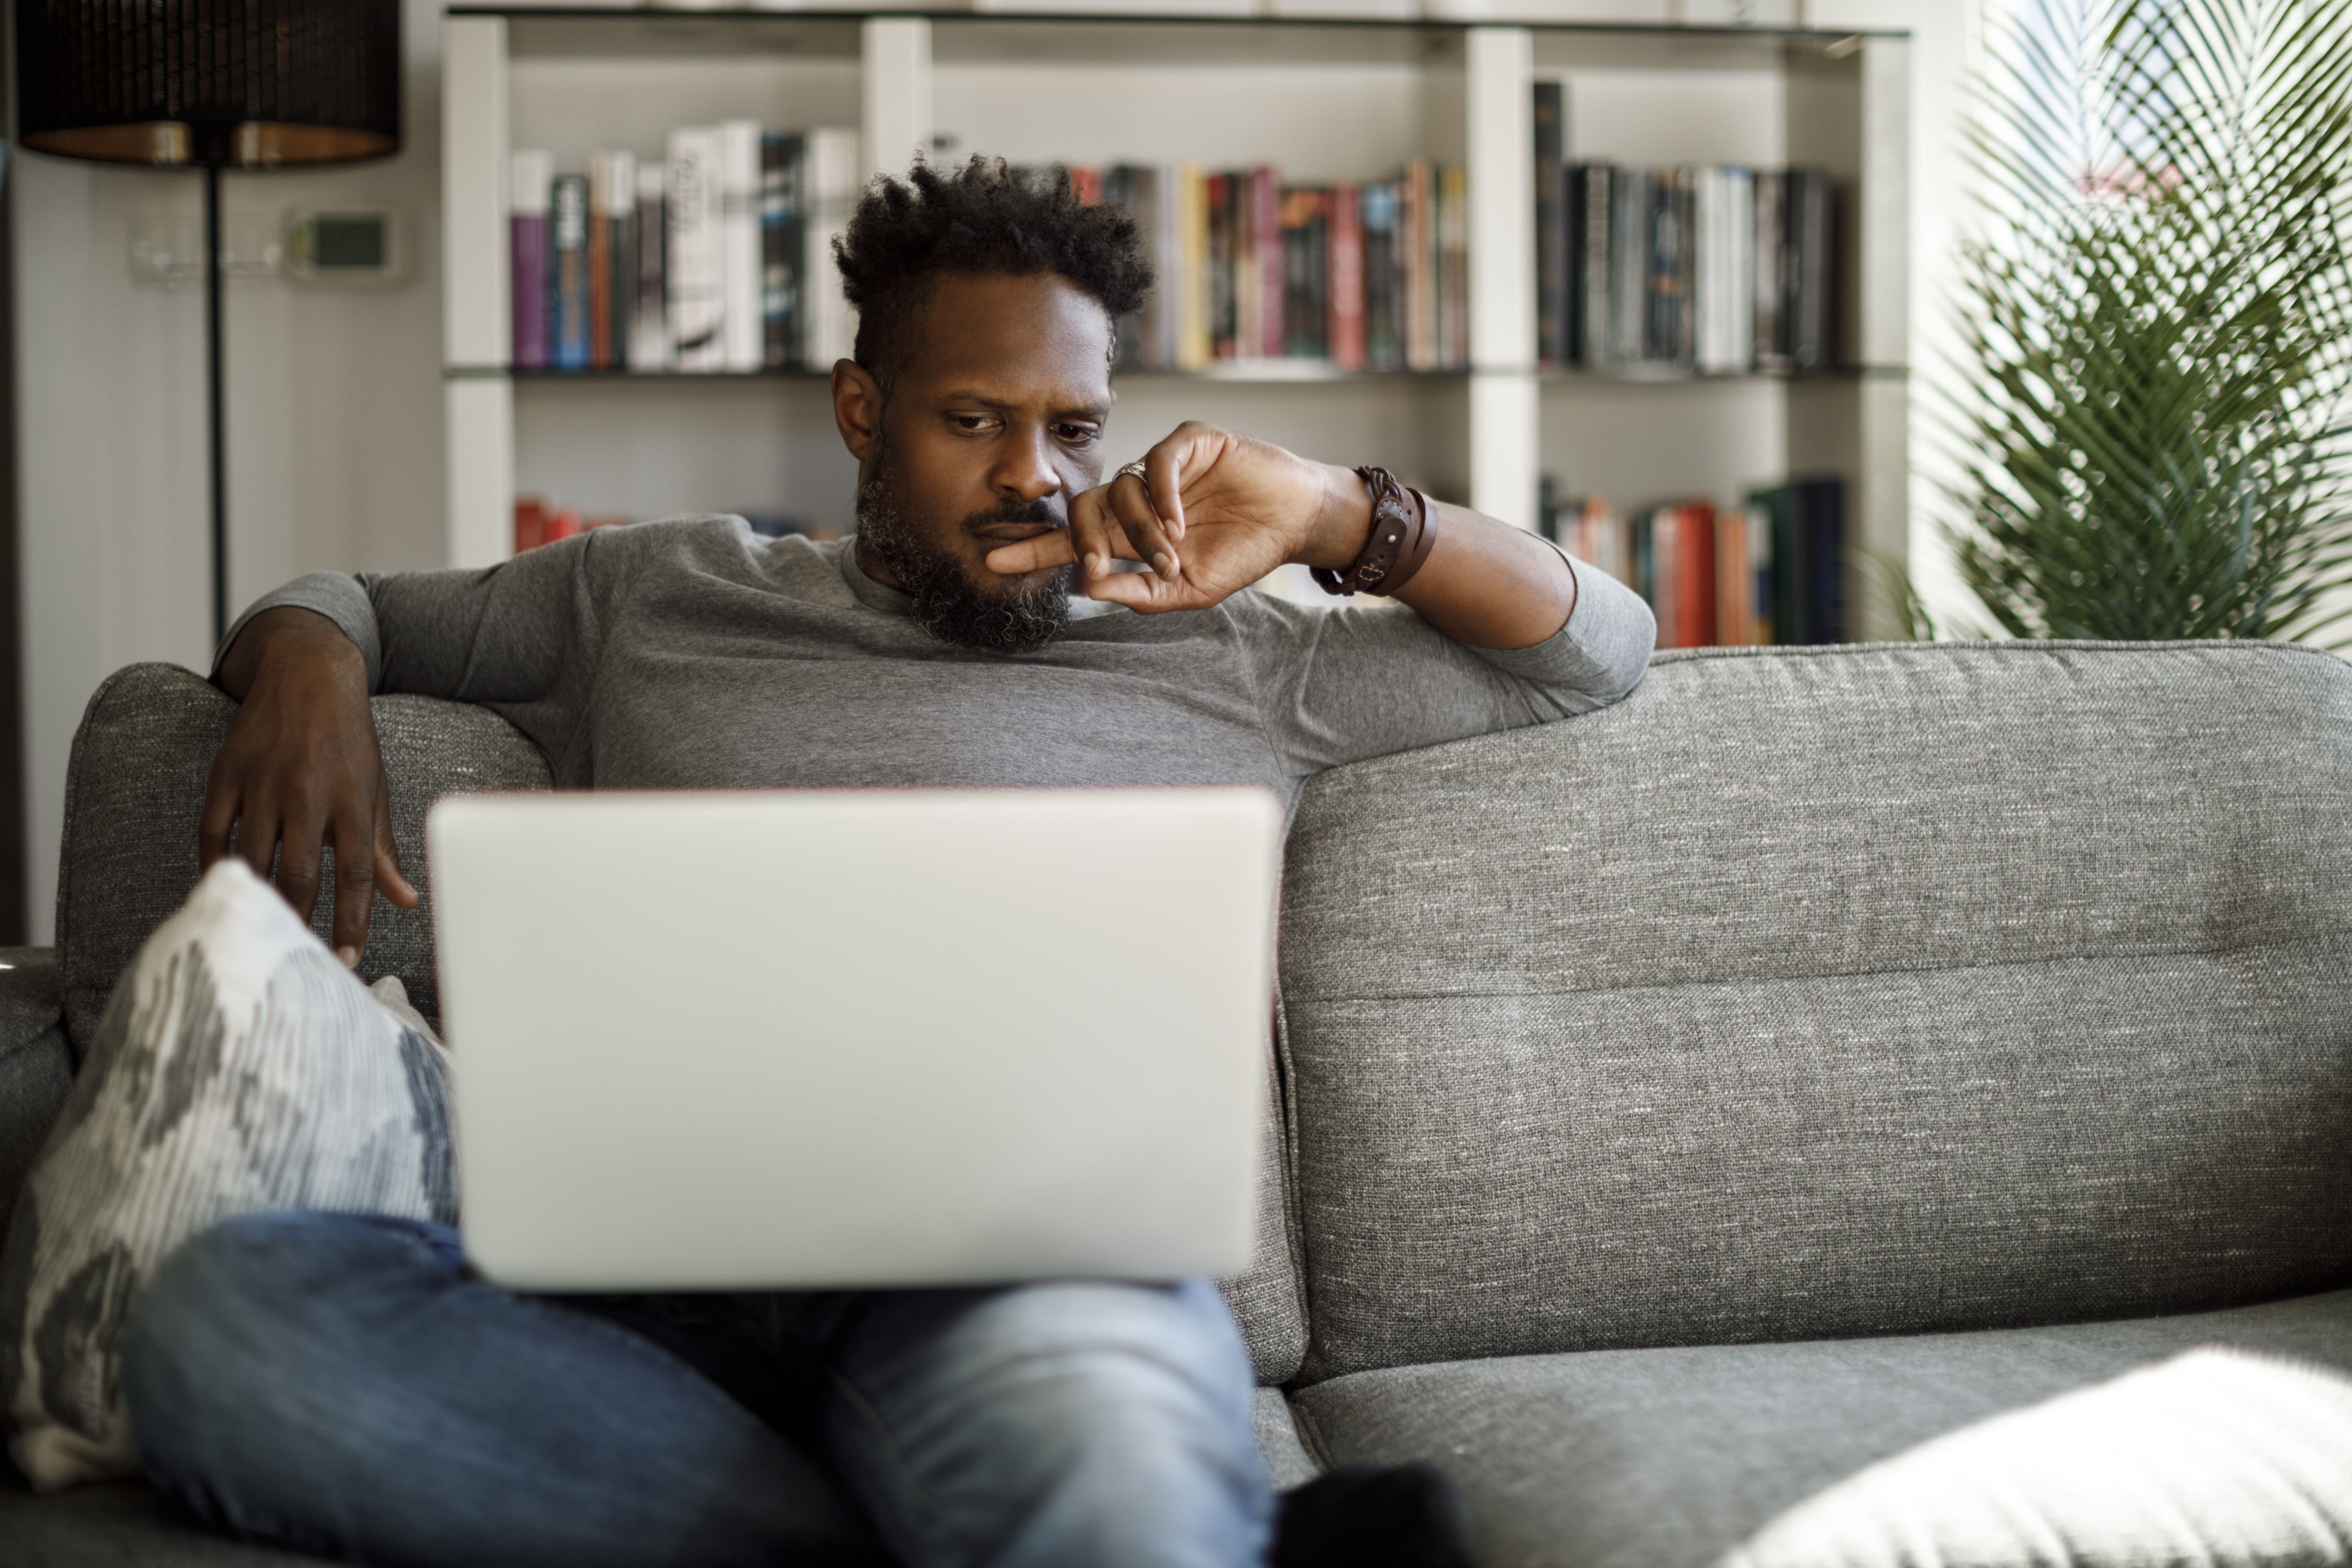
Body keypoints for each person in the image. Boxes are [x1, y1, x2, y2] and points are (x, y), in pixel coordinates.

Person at [117, 158, 1655, 1568]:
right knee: (220, 1325)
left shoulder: (1228, 649)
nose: (1033, 477)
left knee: (1093, 1446)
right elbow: (347, 597)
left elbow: (1595, 651)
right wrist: (311, 665)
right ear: (864, 410)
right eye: (973, 419)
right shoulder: (653, 593)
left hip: (1026, 1273)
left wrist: (1335, 510)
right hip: (633, 1291)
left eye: (1073, 430)